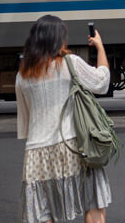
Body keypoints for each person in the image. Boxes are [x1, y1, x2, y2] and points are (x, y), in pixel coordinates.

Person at [16, 15, 112, 223]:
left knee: (42, 213)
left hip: (36, 152)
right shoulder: (69, 63)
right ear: (58, 40)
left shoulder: (22, 76)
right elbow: (102, 83)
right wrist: (100, 47)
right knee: (93, 201)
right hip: (72, 147)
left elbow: (25, 121)